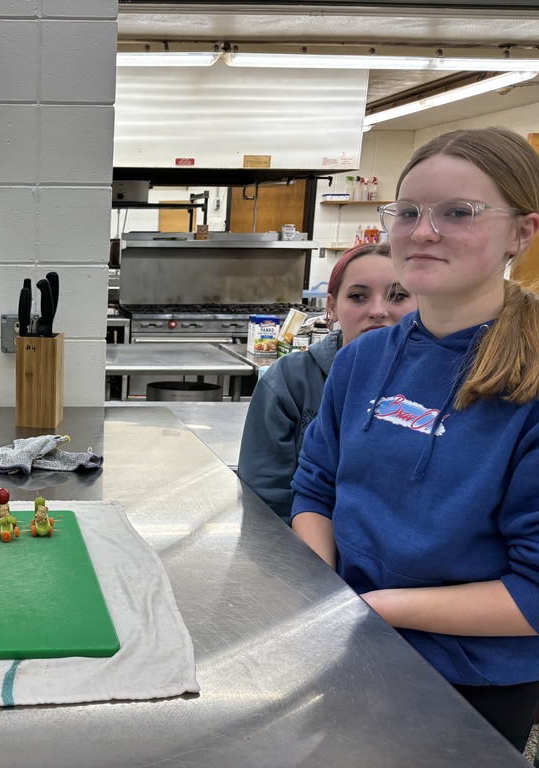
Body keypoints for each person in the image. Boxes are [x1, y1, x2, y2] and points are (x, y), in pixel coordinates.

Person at [291, 126, 539, 751]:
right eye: (407, 212)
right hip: (353, 646)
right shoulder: (363, 358)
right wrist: (324, 594)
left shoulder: (529, 380)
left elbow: (534, 592)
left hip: (471, 682)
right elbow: (316, 489)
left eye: (459, 212)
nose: (423, 232)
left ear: (522, 232)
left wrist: (372, 609)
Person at [237, 242, 415, 519]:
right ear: (332, 307)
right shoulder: (290, 381)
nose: (378, 310)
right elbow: (266, 498)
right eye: (358, 296)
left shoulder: (439, 385)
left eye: (398, 295)